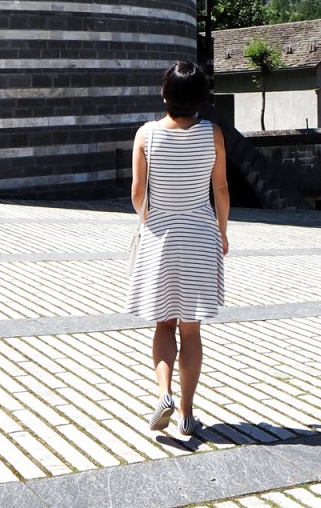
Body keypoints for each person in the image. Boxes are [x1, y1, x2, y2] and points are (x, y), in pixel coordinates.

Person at [124, 60, 229, 439]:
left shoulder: (146, 135)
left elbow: (138, 194)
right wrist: (221, 232)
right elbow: (220, 191)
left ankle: (164, 394)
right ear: (201, 98)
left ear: (165, 94)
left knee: (163, 323)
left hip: (160, 239)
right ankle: (186, 413)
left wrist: (153, 218)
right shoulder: (212, 134)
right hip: (200, 237)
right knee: (192, 330)